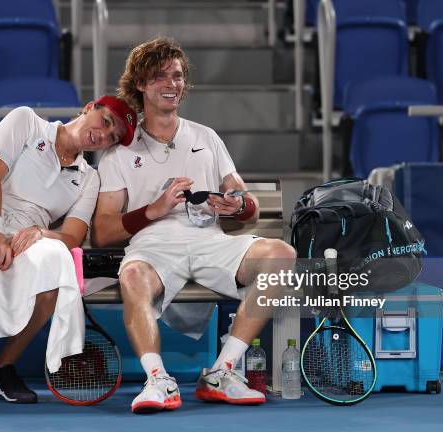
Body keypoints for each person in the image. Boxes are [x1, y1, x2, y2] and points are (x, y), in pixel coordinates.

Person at [93, 37, 297, 414]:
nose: (172, 84)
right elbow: (104, 231)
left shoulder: (206, 137)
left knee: (282, 255)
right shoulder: (118, 151)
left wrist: (234, 204)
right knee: (133, 276)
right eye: (160, 76)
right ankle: (157, 380)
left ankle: (222, 371)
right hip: (152, 247)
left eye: (178, 76)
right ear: (139, 83)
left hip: (210, 240)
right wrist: (153, 210)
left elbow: (247, 208)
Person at [0, 96, 137, 406]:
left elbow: (71, 237)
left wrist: (41, 232)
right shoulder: (25, 121)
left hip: (22, 241)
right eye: (107, 121)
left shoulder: (88, 178)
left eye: (113, 137)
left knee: (57, 261)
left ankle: (2, 368)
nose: (104, 135)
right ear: (89, 107)